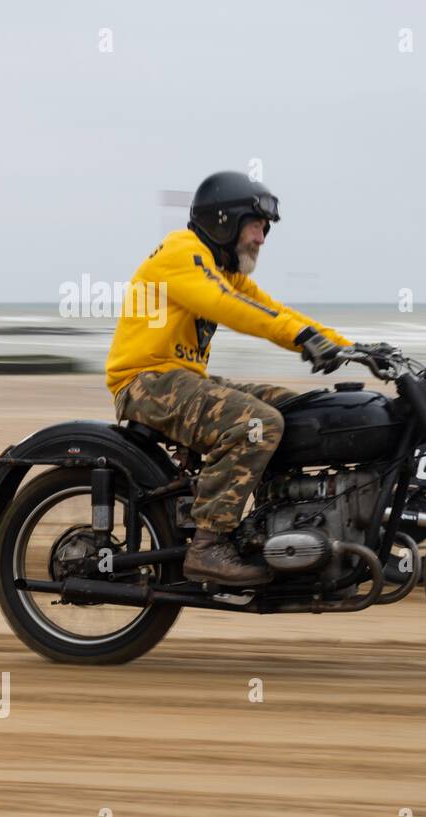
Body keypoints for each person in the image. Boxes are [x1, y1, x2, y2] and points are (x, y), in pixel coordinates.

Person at [105, 171, 351, 586]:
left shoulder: (221, 268)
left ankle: (270, 526)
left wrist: (347, 346)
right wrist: (301, 338)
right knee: (256, 423)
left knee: (298, 409)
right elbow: (228, 306)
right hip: (145, 381)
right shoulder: (181, 252)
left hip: (181, 378)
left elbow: (274, 309)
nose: (262, 238)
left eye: (265, 229)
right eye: (257, 226)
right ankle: (208, 545)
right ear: (225, 220)